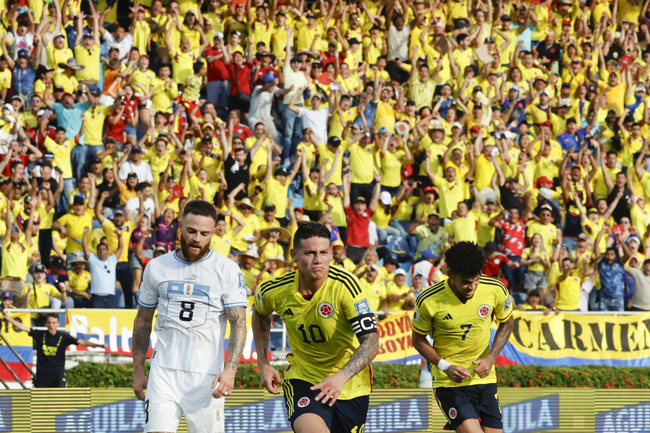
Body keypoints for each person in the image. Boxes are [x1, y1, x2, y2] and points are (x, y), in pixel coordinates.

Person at [132, 200, 248, 433]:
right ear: (180, 227)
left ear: (214, 233)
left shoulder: (226, 269)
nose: (197, 238)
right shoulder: (156, 266)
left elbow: (239, 323)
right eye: (191, 231)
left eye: (204, 233)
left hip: (207, 378)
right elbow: (143, 319)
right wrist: (137, 370)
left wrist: (231, 369)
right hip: (163, 374)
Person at [252, 222, 379, 433]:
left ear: (331, 254)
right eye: (310, 253)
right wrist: (263, 362)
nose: (318, 260)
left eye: (324, 252)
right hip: (304, 379)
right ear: (293, 254)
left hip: (349, 386)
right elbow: (260, 313)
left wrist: (340, 377)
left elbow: (372, 342)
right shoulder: (274, 290)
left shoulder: (347, 286)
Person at [412, 241, 514, 433]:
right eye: (466, 282)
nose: (472, 287)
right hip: (450, 381)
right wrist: (445, 366)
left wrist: (491, 358)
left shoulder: (495, 288)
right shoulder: (429, 299)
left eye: (476, 280)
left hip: (484, 378)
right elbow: (418, 340)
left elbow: (507, 322)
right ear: (451, 274)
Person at [3, 312, 107, 388]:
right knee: (40, 405)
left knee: (59, 402)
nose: (51, 325)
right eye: (49, 323)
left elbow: (82, 342)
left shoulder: (64, 337)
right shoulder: (40, 335)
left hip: (57, 375)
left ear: (58, 324)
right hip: (42, 376)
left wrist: (99, 345)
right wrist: (8, 318)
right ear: (46, 324)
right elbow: (24, 328)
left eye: (53, 323)